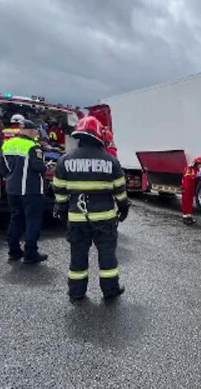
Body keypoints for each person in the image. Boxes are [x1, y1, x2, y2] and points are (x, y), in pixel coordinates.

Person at [53, 116, 130, 302]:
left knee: (78, 255)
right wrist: (123, 208)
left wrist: (63, 211)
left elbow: (59, 191)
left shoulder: (65, 160)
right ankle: (110, 290)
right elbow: (120, 190)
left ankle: (76, 292)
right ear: (99, 136)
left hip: (77, 218)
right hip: (105, 219)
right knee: (107, 255)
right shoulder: (111, 161)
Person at [0, 120, 49, 264]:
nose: (37, 133)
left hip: (13, 190)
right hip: (31, 190)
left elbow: (2, 168)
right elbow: (38, 166)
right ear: (29, 130)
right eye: (35, 130)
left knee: (16, 219)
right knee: (33, 221)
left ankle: (14, 251)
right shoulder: (33, 146)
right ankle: (31, 253)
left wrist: (10, 177)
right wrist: (48, 167)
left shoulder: (7, 144)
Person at [181, 156, 201, 224]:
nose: (200, 166)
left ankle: (190, 217)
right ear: (197, 163)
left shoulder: (197, 170)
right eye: (200, 164)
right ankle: (185, 218)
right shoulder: (189, 169)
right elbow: (187, 177)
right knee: (186, 202)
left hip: (191, 188)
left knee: (190, 202)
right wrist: (195, 176)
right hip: (186, 187)